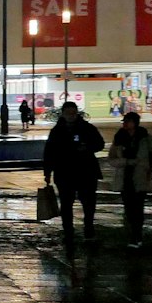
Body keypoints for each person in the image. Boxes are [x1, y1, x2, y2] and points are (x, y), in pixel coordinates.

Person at [43, 101, 105, 249]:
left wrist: (87, 147)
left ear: (76, 113)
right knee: (66, 204)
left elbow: (100, 144)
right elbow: (49, 152)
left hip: (86, 172)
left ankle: (88, 229)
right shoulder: (57, 131)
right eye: (68, 113)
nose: (71, 116)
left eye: (73, 113)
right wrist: (47, 172)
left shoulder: (87, 128)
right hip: (65, 173)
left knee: (88, 203)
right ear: (63, 114)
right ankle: (68, 231)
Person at [107, 111, 152, 249]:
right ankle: (133, 234)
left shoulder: (146, 138)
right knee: (129, 209)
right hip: (124, 178)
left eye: (128, 121)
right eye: (124, 121)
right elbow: (111, 159)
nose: (125, 124)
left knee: (138, 208)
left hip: (140, 178)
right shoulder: (119, 138)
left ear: (135, 123)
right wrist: (126, 162)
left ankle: (136, 235)